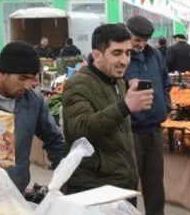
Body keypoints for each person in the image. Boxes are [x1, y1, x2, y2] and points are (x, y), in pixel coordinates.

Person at [0, 41, 66, 191]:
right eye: (22, 78)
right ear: (2, 73)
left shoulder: (34, 101)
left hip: (17, 193)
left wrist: (62, 179)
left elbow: (54, 140)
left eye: (31, 79)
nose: (27, 86)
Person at [61, 23, 153, 194]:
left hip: (122, 184)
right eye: (116, 53)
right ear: (97, 55)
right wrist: (125, 106)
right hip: (94, 189)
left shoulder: (117, 82)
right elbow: (79, 129)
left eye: (128, 53)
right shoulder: (78, 84)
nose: (124, 61)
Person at [124, 16, 172, 215]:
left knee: (154, 179)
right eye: (137, 39)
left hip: (154, 127)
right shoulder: (122, 58)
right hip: (131, 129)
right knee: (129, 180)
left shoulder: (155, 57)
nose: (140, 44)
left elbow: (165, 83)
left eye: (144, 40)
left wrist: (166, 106)